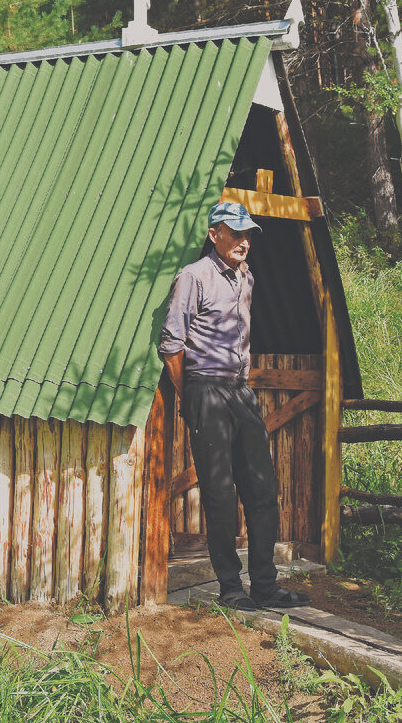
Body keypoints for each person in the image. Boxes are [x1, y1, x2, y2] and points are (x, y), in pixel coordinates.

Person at [158, 201, 311, 612]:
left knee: (262, 490)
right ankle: (230, 587)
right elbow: (172, 343)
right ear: (214, 234)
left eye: (247, 234)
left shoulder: (247, 279)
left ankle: (264, 584)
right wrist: (189, 393)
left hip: (241, 391)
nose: (244, 241)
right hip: (205, 389)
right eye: (235, 233)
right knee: (220, 494)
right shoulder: (194, 277)